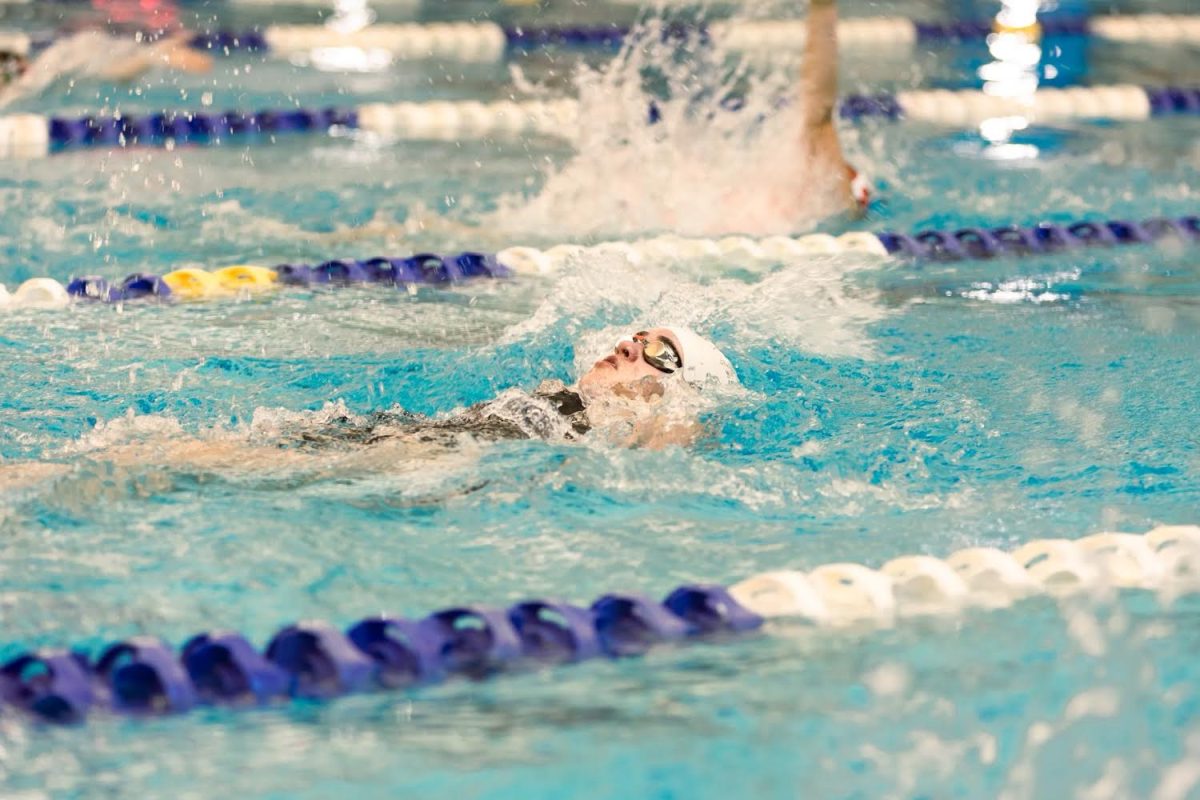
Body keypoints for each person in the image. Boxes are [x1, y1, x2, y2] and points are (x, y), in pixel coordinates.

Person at [0, 326, 738, 494]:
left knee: (170, 460)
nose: (629, 347)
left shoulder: (644, 425)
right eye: (633, 335)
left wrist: (672, 410)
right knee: (174, 448)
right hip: (404, 442)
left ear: (675, 386)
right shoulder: (557, 394)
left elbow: (679, 440)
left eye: (657, 352)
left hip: (422, 461)